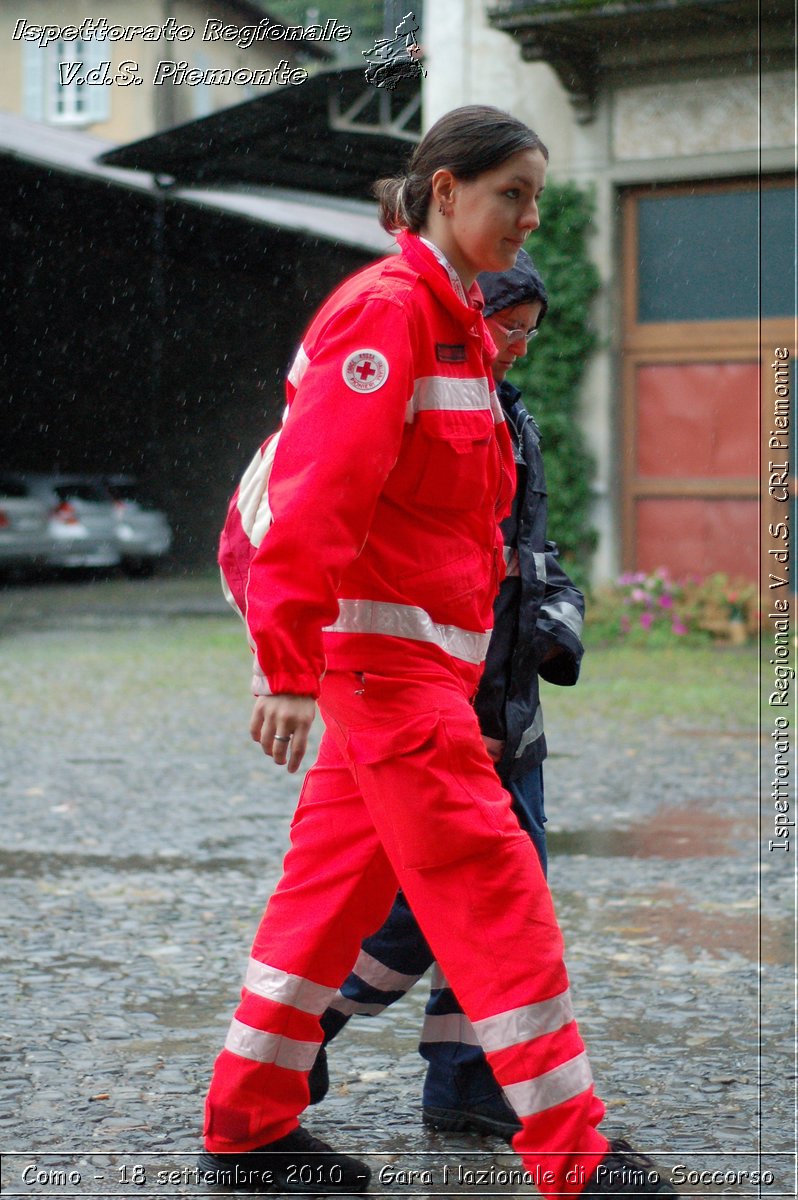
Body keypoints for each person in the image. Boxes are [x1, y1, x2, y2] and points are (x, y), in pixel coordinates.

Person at [202, 105, 674, 1199]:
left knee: (318, 911)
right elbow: (319, 502)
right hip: (387, 681)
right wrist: (283, 668)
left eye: (537, 198)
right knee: (495, 885)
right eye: (510, 192)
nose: (528, 218)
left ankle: (248, 1129)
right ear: (444, 190)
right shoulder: (390, 315)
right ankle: (575, 1153)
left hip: (412, 682)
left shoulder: (456, 325)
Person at [305, 250, 585, 1144]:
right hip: (449, 699)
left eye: (531, 334)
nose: (519, 347)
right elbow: (435, 573)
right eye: (509, 327)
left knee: (497, 891)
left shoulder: (511, 414)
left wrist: (561, 613)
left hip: (506, 705)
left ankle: (462, 1083)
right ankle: (307, 1027)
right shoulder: (424, 394)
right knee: (433, 909)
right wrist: (466, 718)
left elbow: (524, 560)